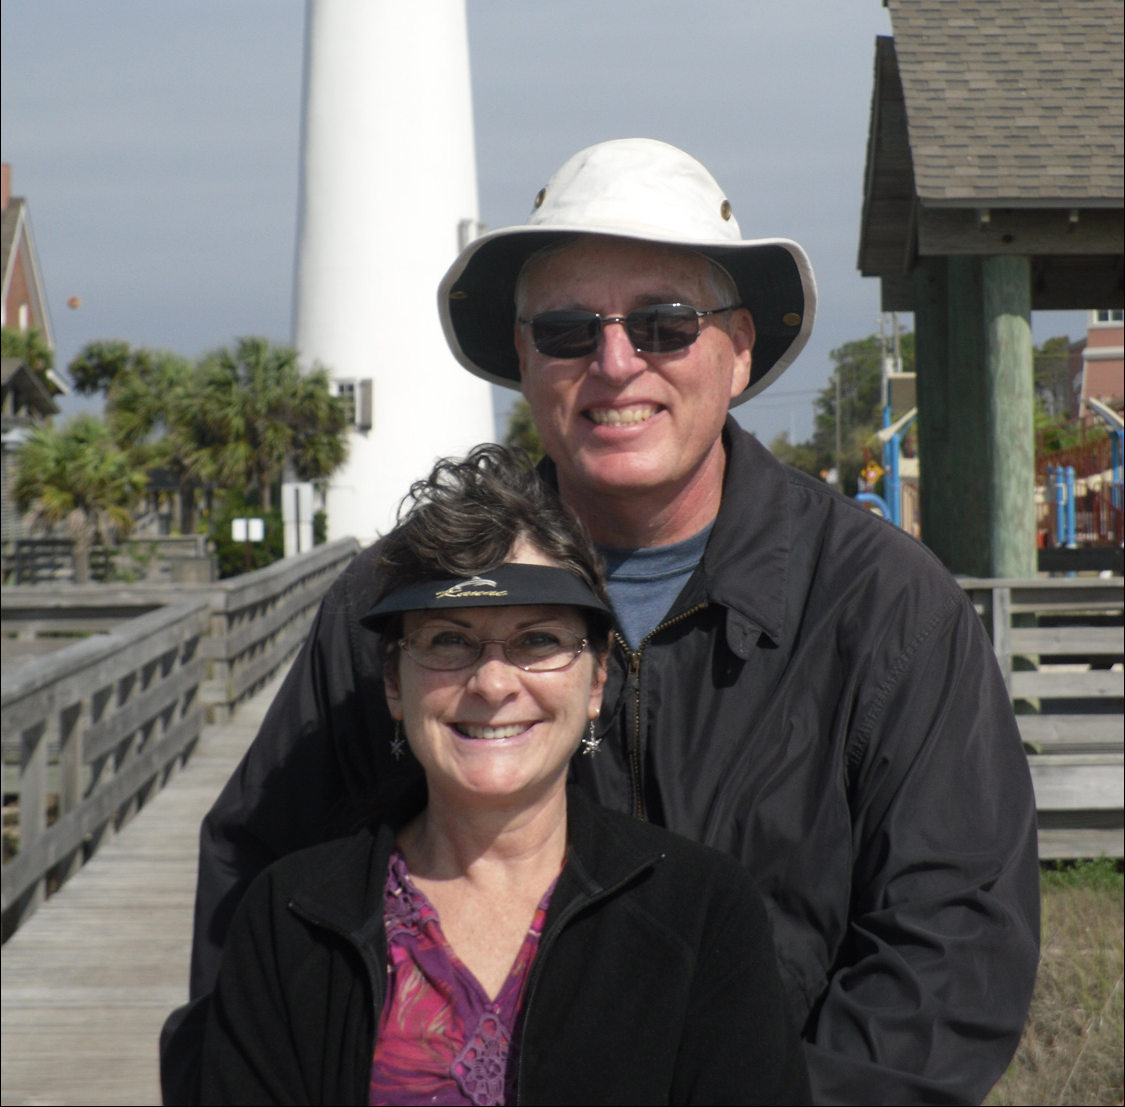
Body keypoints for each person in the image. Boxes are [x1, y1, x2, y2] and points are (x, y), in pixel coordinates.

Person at [164, 138, 1039, 1107]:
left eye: (667, 325)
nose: (617, 363)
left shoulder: (887, 609)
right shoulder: (393, 597)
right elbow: (259, 889)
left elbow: (952, 947)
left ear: (739, 349)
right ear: (525, 359)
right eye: (571, 330)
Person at [198, 447, 810, 1106]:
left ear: (597, 677)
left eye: (537, 640)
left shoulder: (703, 913)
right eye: (448, 641)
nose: (492, 683)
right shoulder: (290, 919)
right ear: (393, 682)